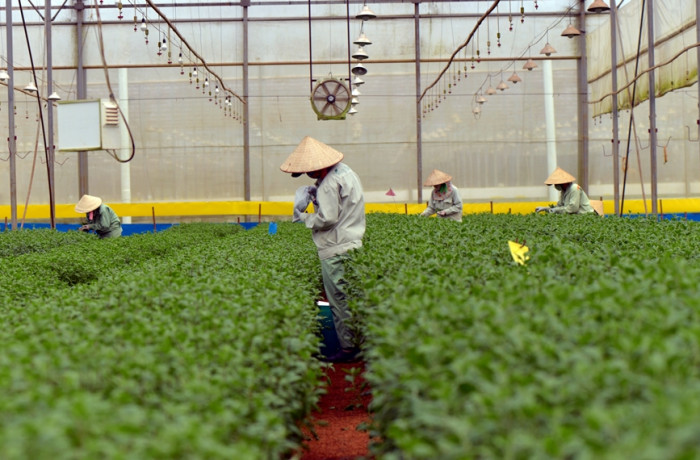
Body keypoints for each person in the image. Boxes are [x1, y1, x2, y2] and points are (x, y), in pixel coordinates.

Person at [280, 136, 366, 363]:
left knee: (338, 299)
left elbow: (327, 218)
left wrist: (305, 217)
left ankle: (348, 349)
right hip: (353, 243)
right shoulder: (347, 172)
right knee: (352, 297)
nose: (310, 176)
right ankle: (361, 343)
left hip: (335, 247)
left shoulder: (328, 184)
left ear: (319, 167)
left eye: (311, 172)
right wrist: (317, 193)